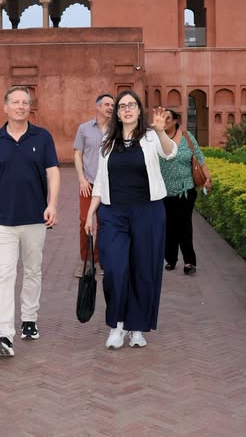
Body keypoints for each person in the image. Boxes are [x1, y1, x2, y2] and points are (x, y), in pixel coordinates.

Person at [84, 90, 177, 350]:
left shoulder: (150, 137)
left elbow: (170, 153)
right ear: (116, 113)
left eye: (131, 105)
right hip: (113, 214)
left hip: (147, 211)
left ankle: (137, 327)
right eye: (122, 106)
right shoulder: (107, 141)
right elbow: (100, 180)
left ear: (139, 110)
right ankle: (118, 325)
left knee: (143, 269)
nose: (126, 109)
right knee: (114, 269)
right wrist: (91, 212)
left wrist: (161, 132)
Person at [0, 86, 60, 358]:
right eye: (15, 102)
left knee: (33, 271)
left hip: (35, 219)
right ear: (5, 107)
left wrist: (52, 204)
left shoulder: (43, 137)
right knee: (5, 275)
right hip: (3, 221)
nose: (20, 106)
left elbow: (53, 172)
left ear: (30, 107)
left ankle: (29, 319)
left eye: (25, 102)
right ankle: (4, 334)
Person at [159, 109, 212, 275]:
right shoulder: (156, 139)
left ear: (176, 121)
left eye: (168, 118)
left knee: (184, 225)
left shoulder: (187, 137)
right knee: (169, 226)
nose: (165, 121)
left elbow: (200, 158)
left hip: (185, 190)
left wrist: (208, 178)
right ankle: (171, 259)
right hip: (164, 193)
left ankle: (189, 261)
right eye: (162, 118)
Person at [72, 93, 114, 277]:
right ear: (98, 107)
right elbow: (77, 154)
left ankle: (98, 260)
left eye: (112, 105)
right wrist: (81, 178)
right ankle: (85, 261)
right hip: (88, 183)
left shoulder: (117, 129)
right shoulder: (84, 129)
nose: (110, 107)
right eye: (107, 104)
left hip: (109, 185)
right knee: (85, 222)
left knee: (104, 223)